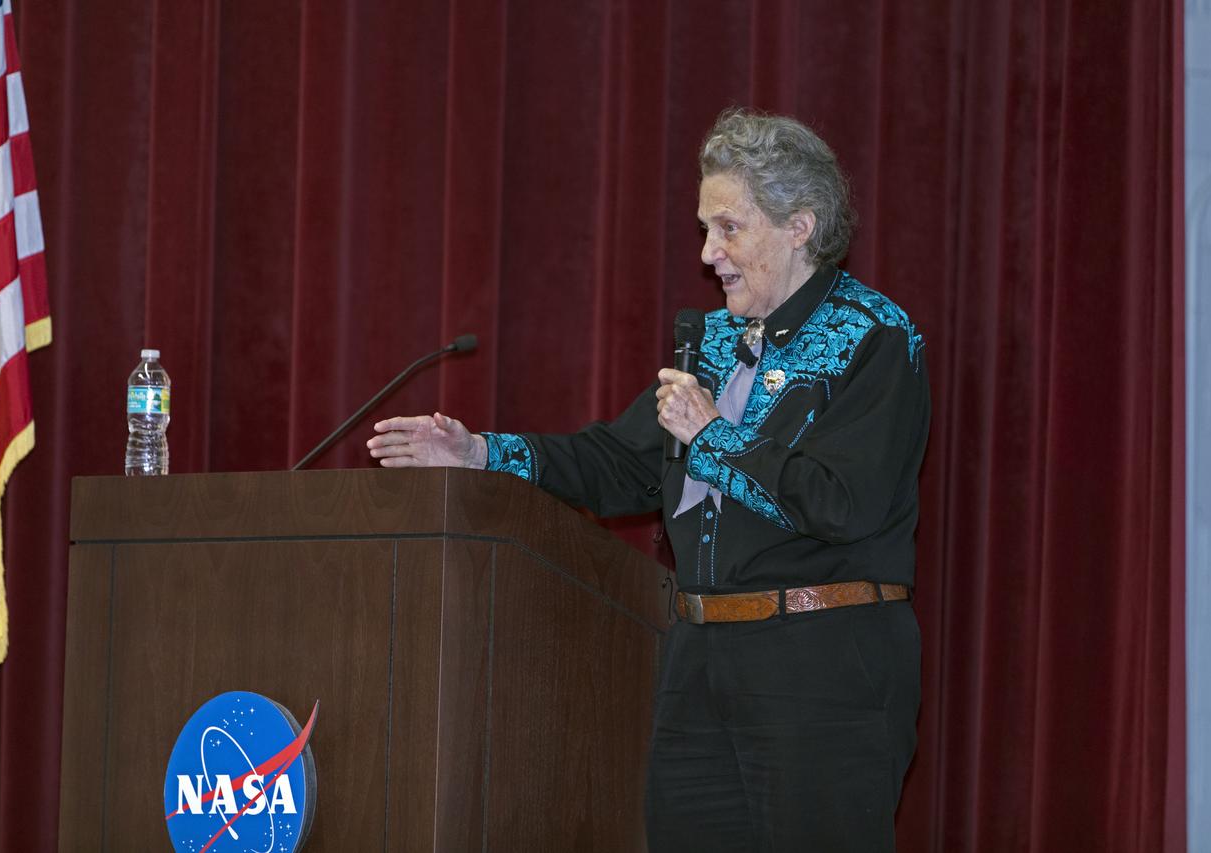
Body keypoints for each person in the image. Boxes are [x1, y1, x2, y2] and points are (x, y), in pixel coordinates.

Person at [367, 107, 929, 853]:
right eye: (705, 228)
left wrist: (714, 436)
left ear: (800, 225)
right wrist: (479, 455)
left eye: (729, 229)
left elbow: (841, 502)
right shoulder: (717, 343)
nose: (708, 253)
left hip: (820, 662)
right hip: (698, 663)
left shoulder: (876, 338)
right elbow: (619, 463)